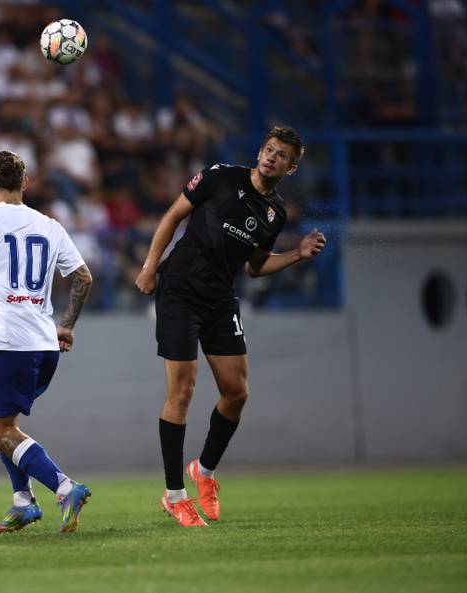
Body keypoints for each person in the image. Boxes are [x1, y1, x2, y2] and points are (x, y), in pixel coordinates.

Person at [134, 126, 327, 526]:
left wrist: (296, 254)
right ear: (259, 151)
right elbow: (172, 216)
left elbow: (255, 267)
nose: (272, 157)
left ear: (291, 168)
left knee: (237, 392)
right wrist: (150, 267)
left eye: (281, 155)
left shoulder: (274, 214)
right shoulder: (220, 177)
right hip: (180, 290)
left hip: (221, 300)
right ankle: (174, 496)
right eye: (269, 149)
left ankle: (204, 472)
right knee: (182, 389)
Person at [0, 151, 94, 533]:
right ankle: (23, 501)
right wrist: (66, 325)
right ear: (25, 183)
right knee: (0, 422)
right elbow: (83, 278)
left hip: (9, 343)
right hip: (44, 344)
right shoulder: (49, 225)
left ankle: (65, 488)